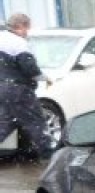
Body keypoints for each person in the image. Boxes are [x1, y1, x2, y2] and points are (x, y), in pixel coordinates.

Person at [0, 12, 55, 159]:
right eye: (27, 28)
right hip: (19, 90)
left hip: (3, 89)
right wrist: (44, 78)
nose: (27, 32)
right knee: (36, 122)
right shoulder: (18, 43)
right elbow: (30, 68)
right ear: (20, 26)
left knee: (5, 124)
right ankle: (49, 156)